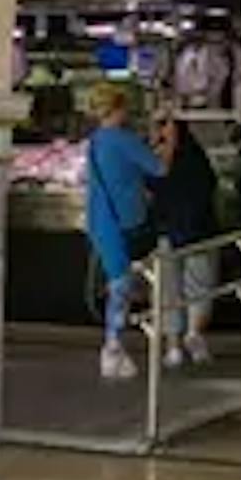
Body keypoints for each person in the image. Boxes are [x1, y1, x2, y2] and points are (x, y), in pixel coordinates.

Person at [84, 84, 162, 381]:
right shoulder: (125, 140)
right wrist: (166, 143)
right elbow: (159, 169)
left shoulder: (95, 142)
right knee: (121, 285)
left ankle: (114, 345)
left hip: (100, 220)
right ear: (118, 109)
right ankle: (112, 347)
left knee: (120, 282)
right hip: (122, 222)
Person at [150, 113, 221, 368]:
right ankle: (194, 334)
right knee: (199, 287)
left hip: (170, 232)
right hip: (199, 231)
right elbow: (212, 184)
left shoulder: (161, 157)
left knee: (170, 291)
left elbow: (153, 183)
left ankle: (173, 347)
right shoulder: (197, 157)